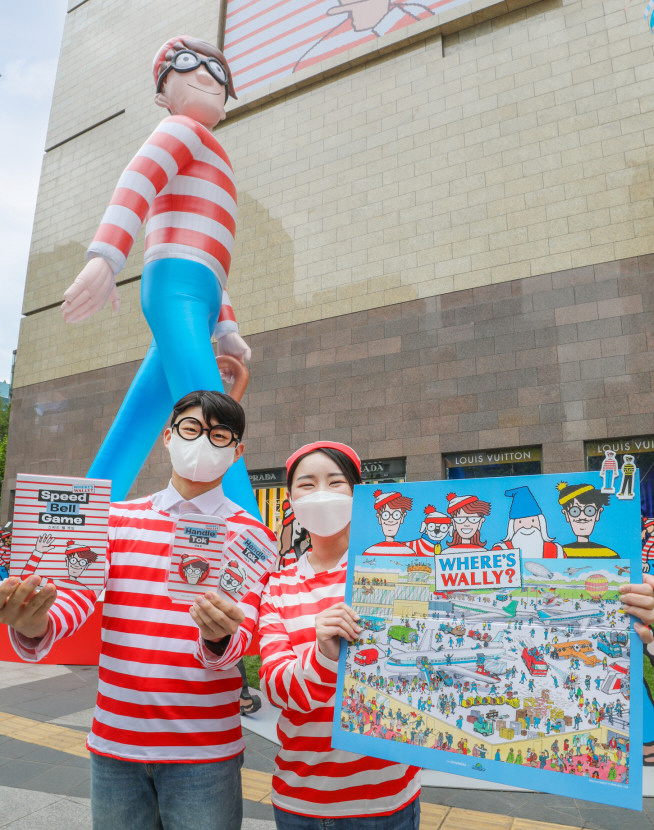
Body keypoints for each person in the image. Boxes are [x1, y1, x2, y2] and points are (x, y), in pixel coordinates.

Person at [0, 390, 277, 830]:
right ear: (168, 436)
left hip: (205, 754)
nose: (202, 442)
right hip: (116, 747)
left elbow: (243, 634)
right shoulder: (116, 519)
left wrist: (218, 637)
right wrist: (37, 622)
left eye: (219, 435)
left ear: (237, 451)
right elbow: (77, 593)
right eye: (191, 429)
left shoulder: (254, 537)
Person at [60, 36, 257, 515]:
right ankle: (253, 542)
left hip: (198, 294)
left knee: (140, 418)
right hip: (176, 288)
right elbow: (139, 178)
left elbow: (215, 259)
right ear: (162, 95)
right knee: (214, 417)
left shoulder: (206, 146)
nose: (208, 71)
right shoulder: (181, 129)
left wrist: (226, 328)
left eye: (218, 69)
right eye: (187, 63)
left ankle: (73, 527)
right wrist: (106, 255)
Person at [259, 440, 421, 828]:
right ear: (290, 499)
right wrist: (324, 654)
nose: (322, 495)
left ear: (358, 494)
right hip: (301, 800)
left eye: (336, 483)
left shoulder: (395, 572)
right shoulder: (278, 587)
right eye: (307, 484)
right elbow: (277, 690)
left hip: (387, 798)